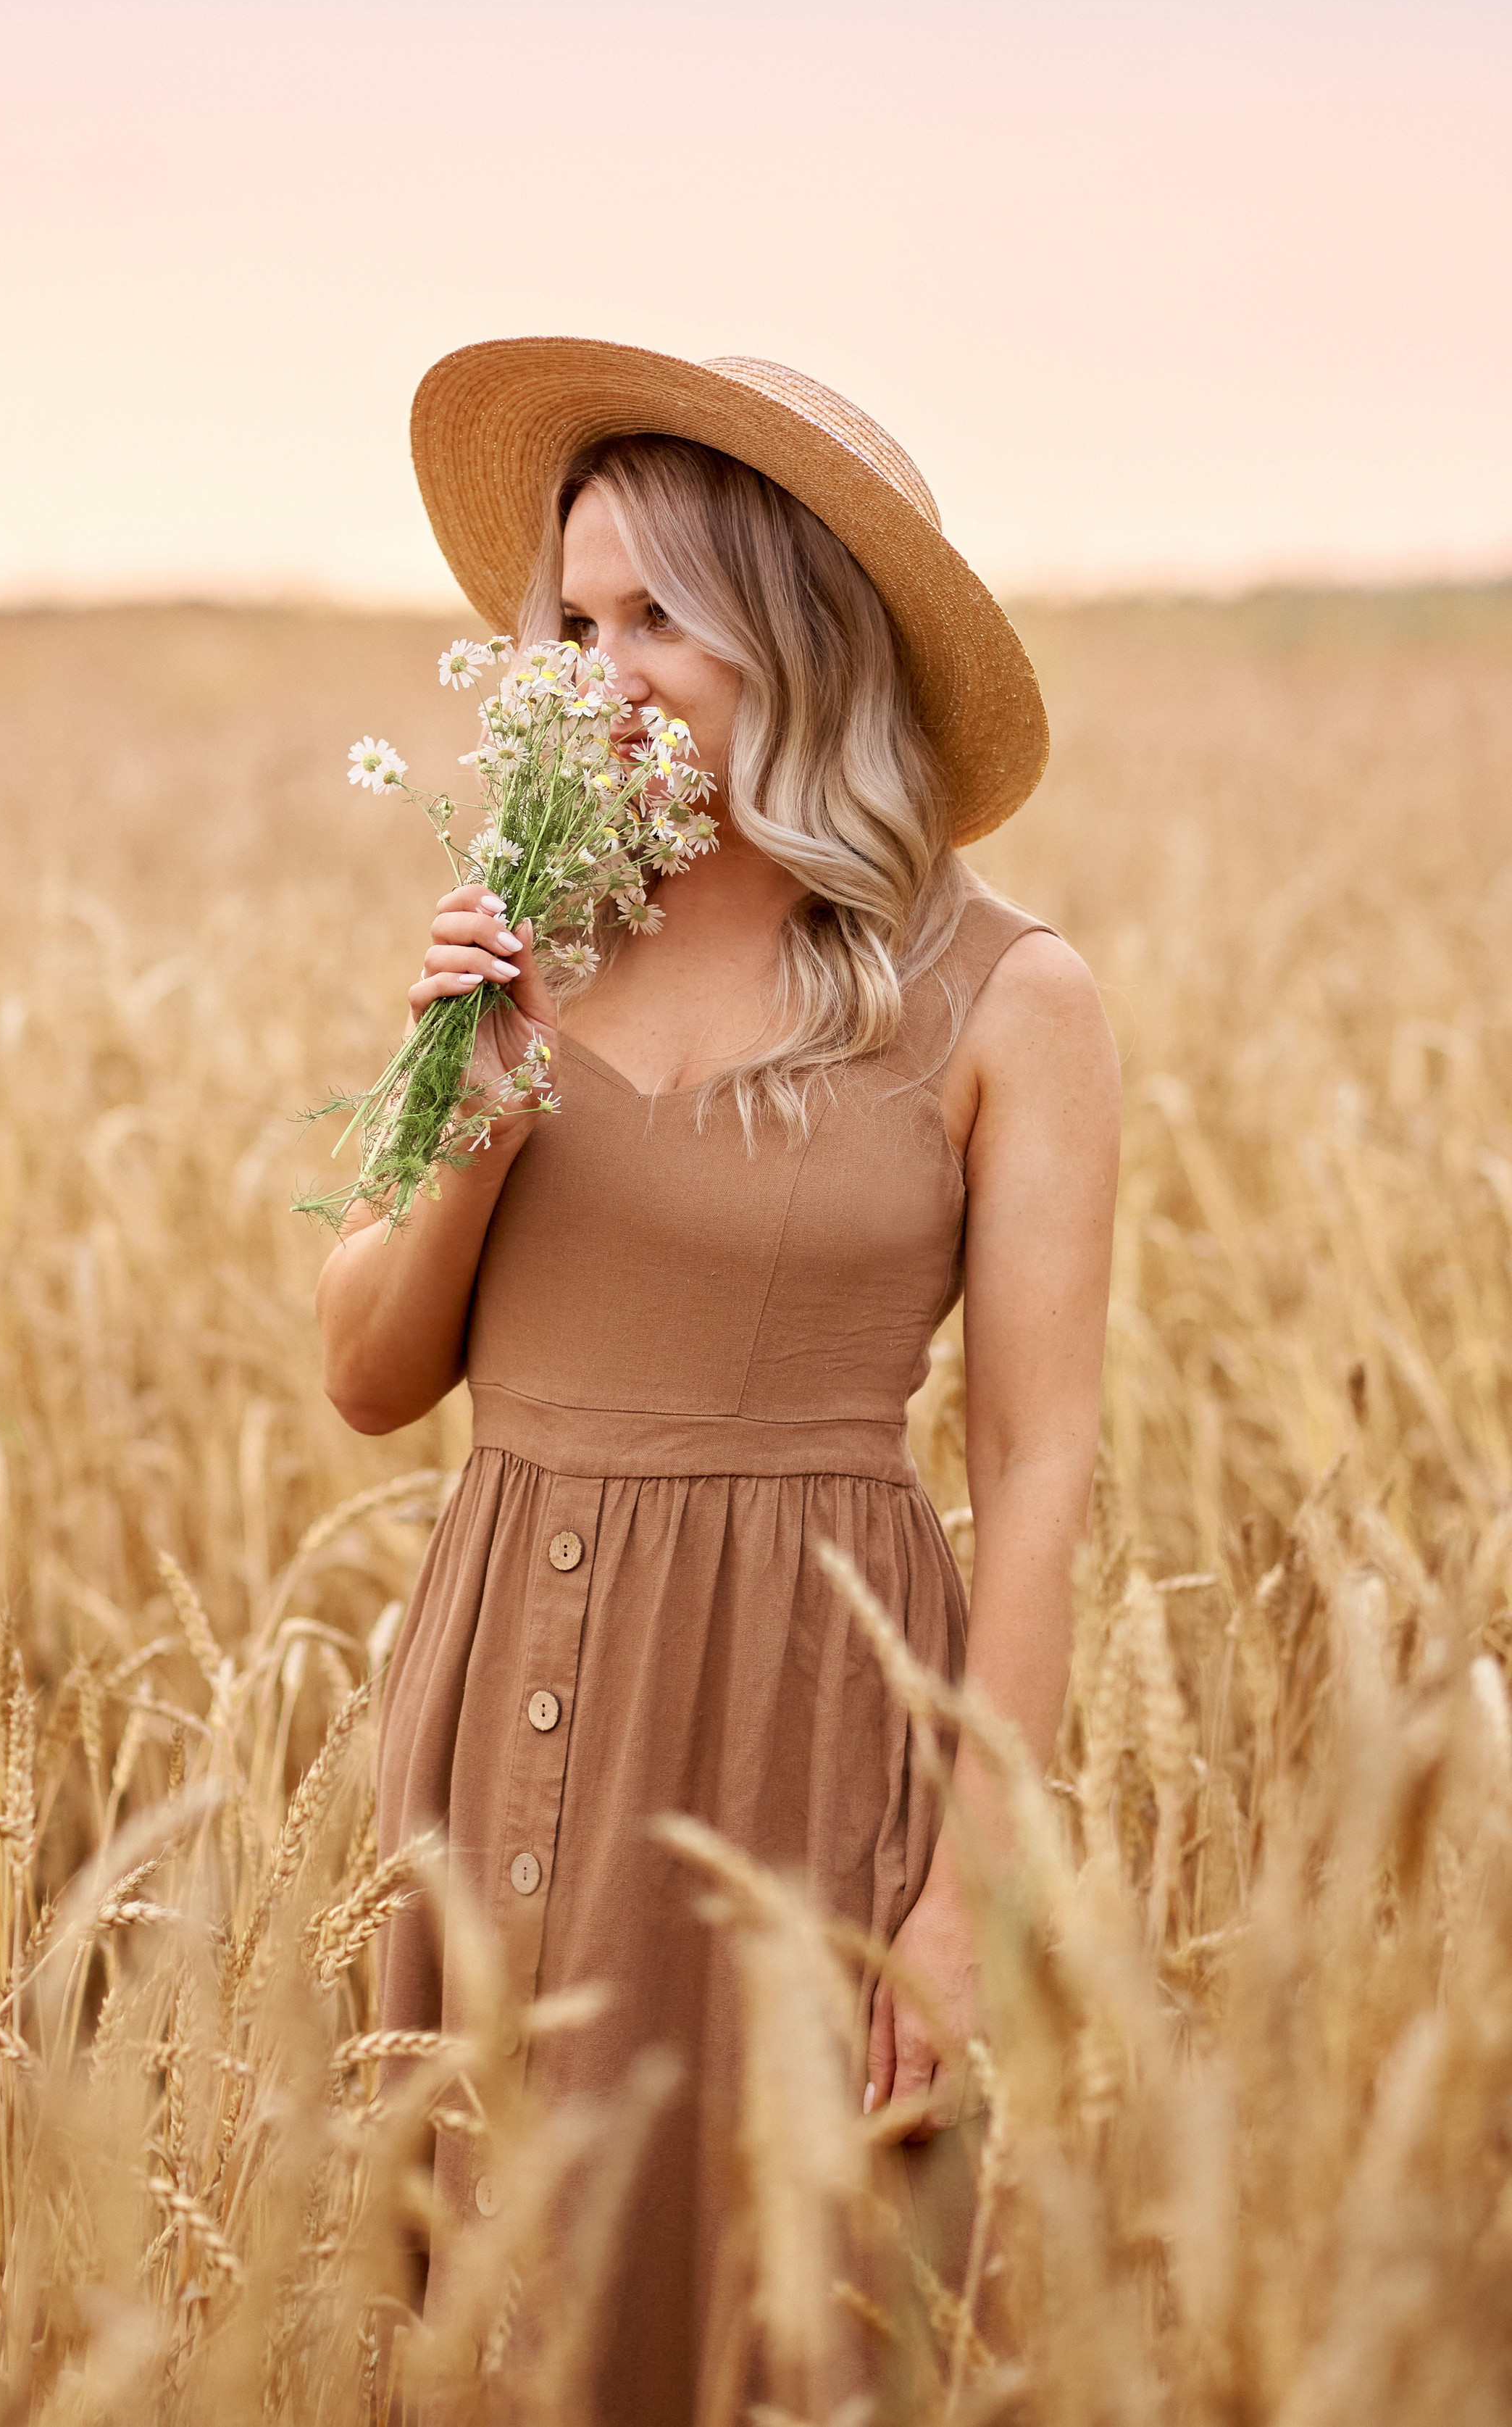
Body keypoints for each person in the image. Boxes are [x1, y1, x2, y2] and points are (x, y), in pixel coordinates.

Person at [314, 340, 1120, 2422]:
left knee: (787, 2323)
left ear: (800, 631)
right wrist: (472, 1128)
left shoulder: (1004, 995)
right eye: (573, 621)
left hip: (798, 1730)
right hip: (493, 1705)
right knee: (487, 2327)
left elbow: (1037, 1466)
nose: (602, 664)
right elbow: (368, 1374)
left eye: (659, 612)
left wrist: (960, 1901)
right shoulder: (521, 940)